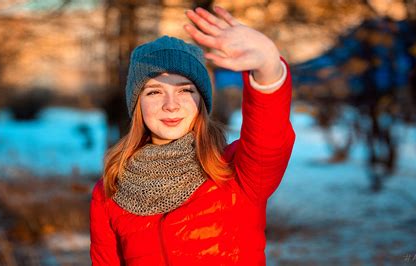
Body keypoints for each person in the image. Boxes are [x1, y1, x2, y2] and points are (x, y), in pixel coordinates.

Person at [90, 6, 295, 265]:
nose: (171, 105)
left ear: (202, 101)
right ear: (137, 104)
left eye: (185, 90)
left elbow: (269, 137)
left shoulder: (235, 171)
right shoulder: (110, 189)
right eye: (154, 92)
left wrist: (268, 68)